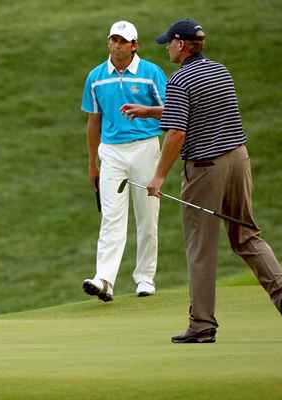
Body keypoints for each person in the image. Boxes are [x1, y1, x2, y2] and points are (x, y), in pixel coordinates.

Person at [123, 19, 282, 343]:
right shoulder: (219, 70)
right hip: (238, 160)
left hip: (206, 168)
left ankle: (201, 325)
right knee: (247, 236)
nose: (166, 47)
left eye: (169, 42)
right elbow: (195, 110)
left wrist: (158, 176)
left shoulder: (180, 79)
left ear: (181, 45)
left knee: (200, 247)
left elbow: (178, 131)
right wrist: (152, 111)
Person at [80, 21, 167, 302]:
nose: (116, 45)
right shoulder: (95, 77)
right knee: (111, 217)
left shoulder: (152, 72)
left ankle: (145, 278)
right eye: (113, 40)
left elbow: (170, 111)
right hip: (111, 152)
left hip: (145, 148)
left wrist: (147, 113)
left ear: (134, 45)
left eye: (122, 41)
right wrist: (93, 163)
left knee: (147, 216)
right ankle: (104, 279)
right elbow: (93, 121)